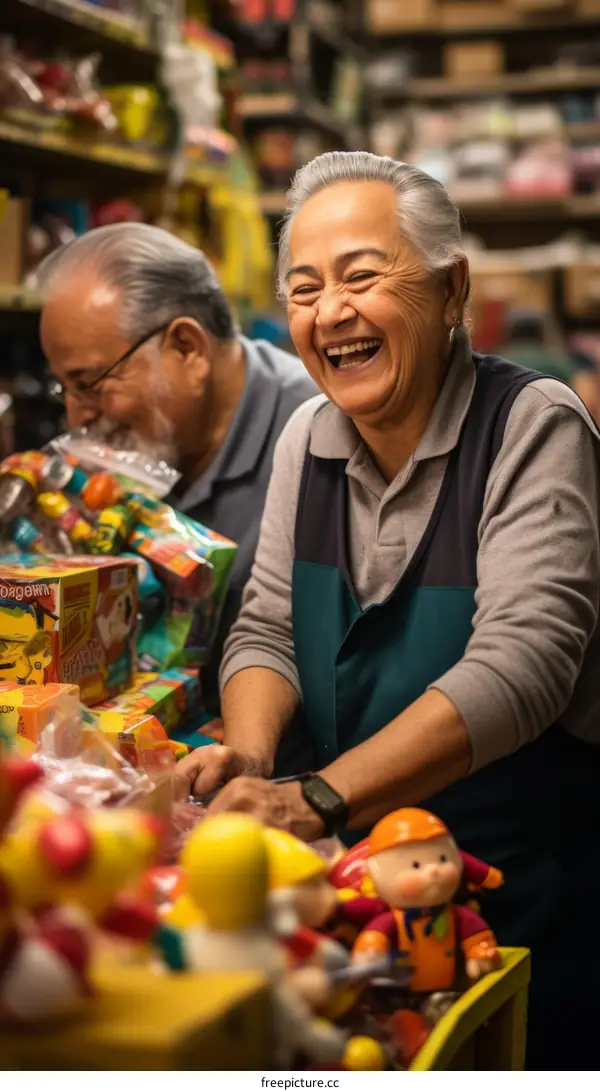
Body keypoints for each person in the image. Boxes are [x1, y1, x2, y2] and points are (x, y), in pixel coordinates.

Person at [175, 151, 600, 1069]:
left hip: (524, 903)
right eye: (303, 288)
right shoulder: (309, 437)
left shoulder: (532, 425)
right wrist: (250, 759)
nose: (330, 312)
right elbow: (268, 625)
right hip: (368, 896)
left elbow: (522, 665)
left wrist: (321, 795)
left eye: (362, 276)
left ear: (453, 292)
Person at [36, 223, 317, 707]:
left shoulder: (322, 445)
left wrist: (269, 729)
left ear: (187, 347)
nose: (77, 416)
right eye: (65, 388)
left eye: (90, 384)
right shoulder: (127, 451)